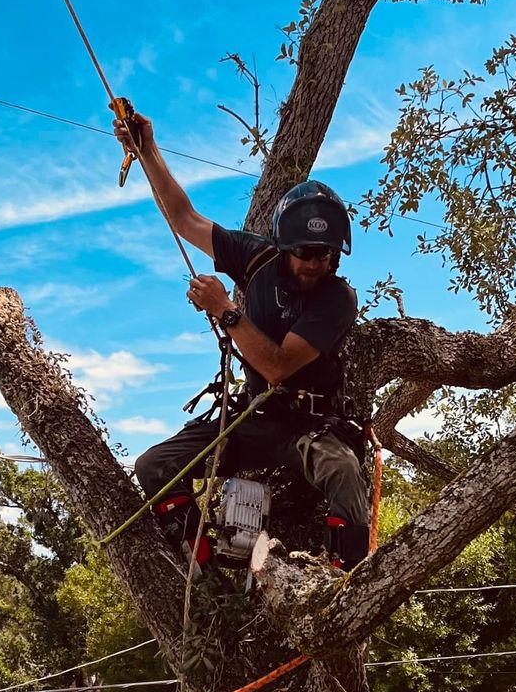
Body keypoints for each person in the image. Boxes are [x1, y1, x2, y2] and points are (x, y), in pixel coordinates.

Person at [115, 112, 370, 573]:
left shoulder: (338, 299)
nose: (317, 263)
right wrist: (147, 149)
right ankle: (204, 569)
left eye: (327, 254)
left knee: (344, 470)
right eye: (307, 253)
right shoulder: (256, 258)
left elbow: (276, 366)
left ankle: (347, 579)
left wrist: (225, 311)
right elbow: (183, 218)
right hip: (253, 416)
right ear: (285, 246)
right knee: (154, 465)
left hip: (306, 428)